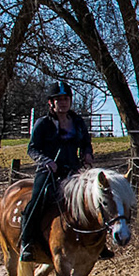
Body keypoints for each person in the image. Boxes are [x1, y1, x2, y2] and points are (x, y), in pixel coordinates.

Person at [19, 80, 96, 261]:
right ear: (51, 103)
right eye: (59, 99)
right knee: (39, 199)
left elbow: (86, 143)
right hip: (49, 172)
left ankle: (97, 243)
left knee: (92, 198)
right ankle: (27, 242)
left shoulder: (77, 122)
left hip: (73, 171)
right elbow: (32, 149)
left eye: (66, 99)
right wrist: (46, 161)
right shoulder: (43, 123)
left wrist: (87, 154)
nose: (63, 102)